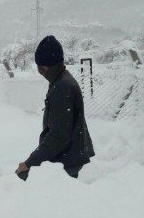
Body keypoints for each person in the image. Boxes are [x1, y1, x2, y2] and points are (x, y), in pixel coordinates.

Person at [16, 35, 95, 181]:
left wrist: (30, 163)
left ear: (44, 66)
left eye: (39, 66)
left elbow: (58, 136)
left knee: (22, 178)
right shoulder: (62, 79)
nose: (39, 70)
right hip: (70, 155)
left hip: (66, 161)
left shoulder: (62, 87)